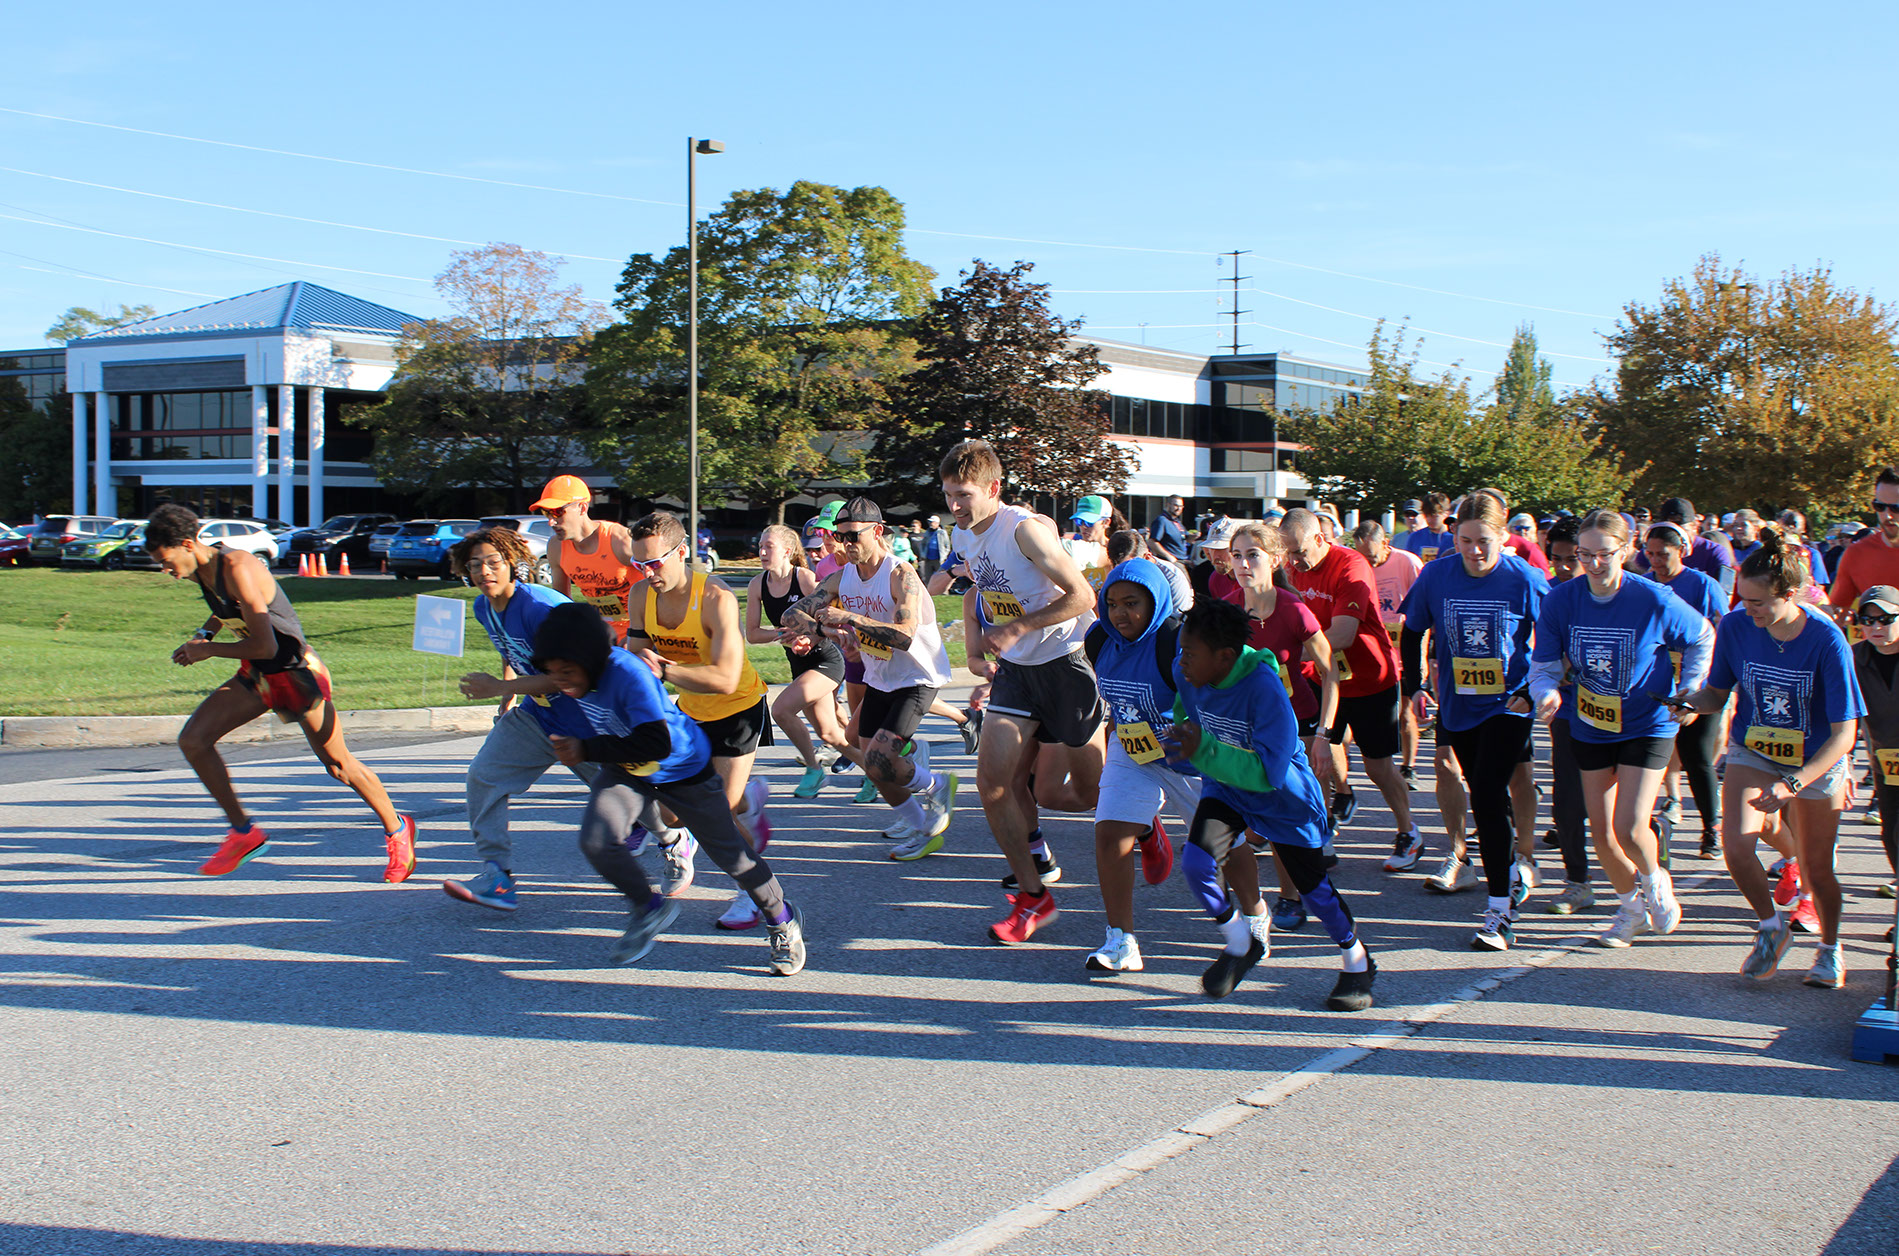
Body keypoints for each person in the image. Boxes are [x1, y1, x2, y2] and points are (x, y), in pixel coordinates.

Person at [531, 602, 805, 975]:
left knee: (731, 856)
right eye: (552, 672)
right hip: (627, 768)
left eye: (567, 671)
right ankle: (649, 909)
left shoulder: (627, 674)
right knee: (596, 840)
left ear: (591, 658)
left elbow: (656, 743)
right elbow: (549, 693)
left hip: (682, 767)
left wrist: (585, 749)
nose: (560, 681)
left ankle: (781, 918)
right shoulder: (570, 676)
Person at [145, 503, 413, 880]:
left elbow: (266, 645)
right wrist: (206, 633)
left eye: (166, 560)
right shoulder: (202, 569)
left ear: (187, 545)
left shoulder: (237, 566)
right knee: (194, 740)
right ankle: (243, 834)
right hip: (259, 674)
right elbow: (227, 606)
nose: (165, 570)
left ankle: (398, 829)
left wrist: (209, 650)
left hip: (295, 672)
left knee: (338, 765)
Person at [1160, 599, 1377, 1011]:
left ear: (1225, 657)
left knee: (1314, 892)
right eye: (1181, 650)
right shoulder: (1185, 671)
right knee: (1196, 865)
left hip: (1283, 799)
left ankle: (1357, 959)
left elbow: (1270, 773)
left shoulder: (1264, 688)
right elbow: (1186, 717)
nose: (1180, 660)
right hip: (1227, 788)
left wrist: (1203, 749)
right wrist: (1182, 744)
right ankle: (1241, 943)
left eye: (1190, 652)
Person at [1681, 531, 1863, 987]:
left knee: (1817, 869)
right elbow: (1716, 693)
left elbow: (1844, 734)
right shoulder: (1736, 626)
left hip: (1814, 758)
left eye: (1758, 602)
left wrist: (1793, 783)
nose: (1748, 610)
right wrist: (1688, 703)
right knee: (1736, 848)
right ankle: (1770, 927)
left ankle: (1830, 949)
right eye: (1743, 600)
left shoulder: (1827, 640)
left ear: (1789, 594)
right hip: (1755, 748)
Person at [942, 439, 1104, 943]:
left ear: (993, 488)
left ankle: (1143, 823)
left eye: (964, 495)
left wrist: (1017, 627)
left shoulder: (1024, 529)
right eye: (948, 495)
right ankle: (1034, 896)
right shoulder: (963, 534)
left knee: (1091, 793)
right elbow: (990, 591)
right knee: (991, 783)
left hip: (1067, 664)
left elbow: (1083, 596)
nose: (954, 506)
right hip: (1016, 671)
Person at [1531, 510, 1711, 950]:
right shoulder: (1561, 600)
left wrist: (1689, 688)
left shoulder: (1653, 598)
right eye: (1584, 554)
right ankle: (1630, 910)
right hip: (1591, 723)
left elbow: (1702, 636)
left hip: (1647, 722)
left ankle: (1654, 880)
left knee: (1629, 826)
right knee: (1603, 833)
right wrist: (1546, 693)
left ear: (1625, 550)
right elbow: (1544, 665)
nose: (1593, 564)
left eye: (1604, 555)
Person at [1397, 493, 1547, 948]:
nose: (1474, 551)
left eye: (1484, 541)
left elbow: (1554, 637)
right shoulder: (1437, 574)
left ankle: (1499, 911)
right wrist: (1414, 686)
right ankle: (1512, 866)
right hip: (1458, 703)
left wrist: (1531, 689)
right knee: (1482, 790)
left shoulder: (1525, 579)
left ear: (1504, 537)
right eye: (1465, 541)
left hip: (1509, 703)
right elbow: (1413, 630)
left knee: (1485, 792)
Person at [781, 497, 958, 860]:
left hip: (916, 676)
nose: (846, 544)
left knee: (879, 757)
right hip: (881, 677)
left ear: (877, 532)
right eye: (840, 536)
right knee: (869, 760)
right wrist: (826, 631)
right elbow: (791, 615)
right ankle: (922, 829)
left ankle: (937, 784)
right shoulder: (841, 577)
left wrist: (849, 619)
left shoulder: (900, 575)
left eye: (853, 535)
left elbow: (904, 636)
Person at [626, 510, 775, 928]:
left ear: (683, 552)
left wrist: (664, 671)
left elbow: (726, 679)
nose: (647, 572)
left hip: (738, 709)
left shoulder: (715, 598)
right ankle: (747, 802)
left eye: (655, 562)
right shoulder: (641, 594)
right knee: (670, 813)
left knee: (717, 818)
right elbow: (636, 653)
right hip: (690, 711)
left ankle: (754, 892)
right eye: (639, 563)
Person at [444, 527, 598, 910]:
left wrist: (499, 686)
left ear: (512, 564)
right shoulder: (484, 608)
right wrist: (508, 695)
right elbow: (512, 649)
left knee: (628, 796)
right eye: (475, 565)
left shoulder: (539, 608)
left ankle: (673, 839)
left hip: (586, 716)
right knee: (484, 775)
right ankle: (497, 875)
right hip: (537, 714)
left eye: (493, 562)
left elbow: (568, 676)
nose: (484, 571)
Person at [1282, 508, 1421, 854]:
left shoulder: (1350, 565)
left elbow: (1343, 634)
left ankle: (1408, 830)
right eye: (1289, 553)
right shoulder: (1290, 568)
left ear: (1320, 538)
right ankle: (1324, 827)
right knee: (1316, 753)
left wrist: (1289, 655)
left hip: (1370, 679)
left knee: (1378, 766)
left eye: (1300, 551)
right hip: (1321, 676)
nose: (1295, 561)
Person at [1081, 558, 1191, 973]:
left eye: (1131, 603)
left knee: (1223, 849)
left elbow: (1211, 702)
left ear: (1155, 602)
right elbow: (1114, 698)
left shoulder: (1176, 642)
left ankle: (1253, 918)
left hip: (1189, 758)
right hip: (1133, 749)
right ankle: (1121, 941)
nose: (1119, 614)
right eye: (1111, 604)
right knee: (1110, 833)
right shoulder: (1099, 640)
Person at [1228, 522, 1339, 929]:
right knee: (1238, 814)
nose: (1243, 564)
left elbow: (1330, 672)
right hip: (1244, 726)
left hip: (1295, 725)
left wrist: (1324, 736)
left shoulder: (1294, 610)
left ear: (1275, 560)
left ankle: (1291, 897)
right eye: (1237, 556)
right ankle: (1250, 900)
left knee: (1282, 814)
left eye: (1252, 555)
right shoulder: (1226, 609)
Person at [1641, 520, 1730, 859]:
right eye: (1650, 554)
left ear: (1682, 551)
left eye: (1663, 554)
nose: (1656, 561)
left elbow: (1724, 630)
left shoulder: (1703, 585)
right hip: (1657, 684)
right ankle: (1646, 825)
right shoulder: (1644, 584)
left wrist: (1722, 682)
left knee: (1697, 756)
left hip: (1700, 686)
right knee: (1649, 754)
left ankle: (1711, 828)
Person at [745, 524, 848, 800]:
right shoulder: (757, 585)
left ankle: (814, 769)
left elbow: (829, 616)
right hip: (798, 663)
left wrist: (809, 637)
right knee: (830, 734)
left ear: (787, 551)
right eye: (760, 546)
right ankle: (875, 768)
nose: (762, 552)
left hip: (825, 659)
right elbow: (752, 634)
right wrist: (781, 634)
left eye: (769, 547)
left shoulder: (803, 578)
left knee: (781, 710)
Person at [1538, 516, 1596, 913]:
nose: (1562, 567)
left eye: (1571, 559)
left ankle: (1649, 843)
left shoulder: (1626, 592)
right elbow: (1541, 654)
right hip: (1569, 710)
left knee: (1619, 808)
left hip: (1622, 716)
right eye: (1556, 559)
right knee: (1568, 800)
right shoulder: (1551, 594)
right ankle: (1577, 881)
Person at [1354, 520, 1424, 785]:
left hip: (1404, 650)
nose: (1368, 563)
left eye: (1372, 556)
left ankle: (1408, 766)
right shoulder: (1358, 566)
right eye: (1362, 556)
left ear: (1385, 544)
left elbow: (1422, 612)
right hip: (1375, 653)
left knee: (1406, 713)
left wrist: (1421, 656)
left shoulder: (1407, 563)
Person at [534, 474, 639, 643]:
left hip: (640, 635)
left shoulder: (620, 541)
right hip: (600, 636)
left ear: (582, 508)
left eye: (557, 512)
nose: (551, 522)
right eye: (546, 513)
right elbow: (562, 604)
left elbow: (661, 589)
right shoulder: (556, 547)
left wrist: (638, 636)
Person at [1850, 586, 1899, 904]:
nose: (1876, 626)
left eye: (1886, 619)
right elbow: (1844, 714)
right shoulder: (1854, 658)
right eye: (1868, 620)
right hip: (1886, 759)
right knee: (1891, 833)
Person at [1829, 469, 1899, 618]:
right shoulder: (1857, 553)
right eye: (1879, 506)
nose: (1887, 516)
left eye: (1896, 508)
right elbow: (1837, 613)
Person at [1109, 528, 1193, 613]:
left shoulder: (1172, 578)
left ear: (1147, 557)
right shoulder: (1115, 574)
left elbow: (1178, 617)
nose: (1125, 572)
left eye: (1131, 566)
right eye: (1119, 567)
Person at [1189, 518, 1239, 605]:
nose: (1215, 556)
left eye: (1221, 549)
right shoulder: (1215, 578)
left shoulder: (1253, 578)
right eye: (1211, 548)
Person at [1399, 492, 1454, 562]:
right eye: (1427, 515)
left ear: (1446, 513)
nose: (1429, 520)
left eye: (1434, 516)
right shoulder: (1415, 537)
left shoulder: (1454, 538)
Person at [1148, 495, 1189, 566]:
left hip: (1183, 561)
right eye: (1176, 505)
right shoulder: (1162, 520)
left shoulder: (1177, 522)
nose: (1179, 508)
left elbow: (1184, 538)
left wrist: (1195, 537)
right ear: (1168, 505)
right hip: (1172, 562)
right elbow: (1152, 542)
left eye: (1181, 506)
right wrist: (1168, 556)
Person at [920, 514, 952, 583]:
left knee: (940, 577)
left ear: (937, 523)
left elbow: (947, 546)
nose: (930, 524)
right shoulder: (927, 532)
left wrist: (944, 555)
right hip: (928, 559)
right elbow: (923, 544)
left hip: (938, 559)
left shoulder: (942, 532)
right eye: (930, 522)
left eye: (932, 522)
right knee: (927, 578)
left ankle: (942, 589)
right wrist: (922, 554)